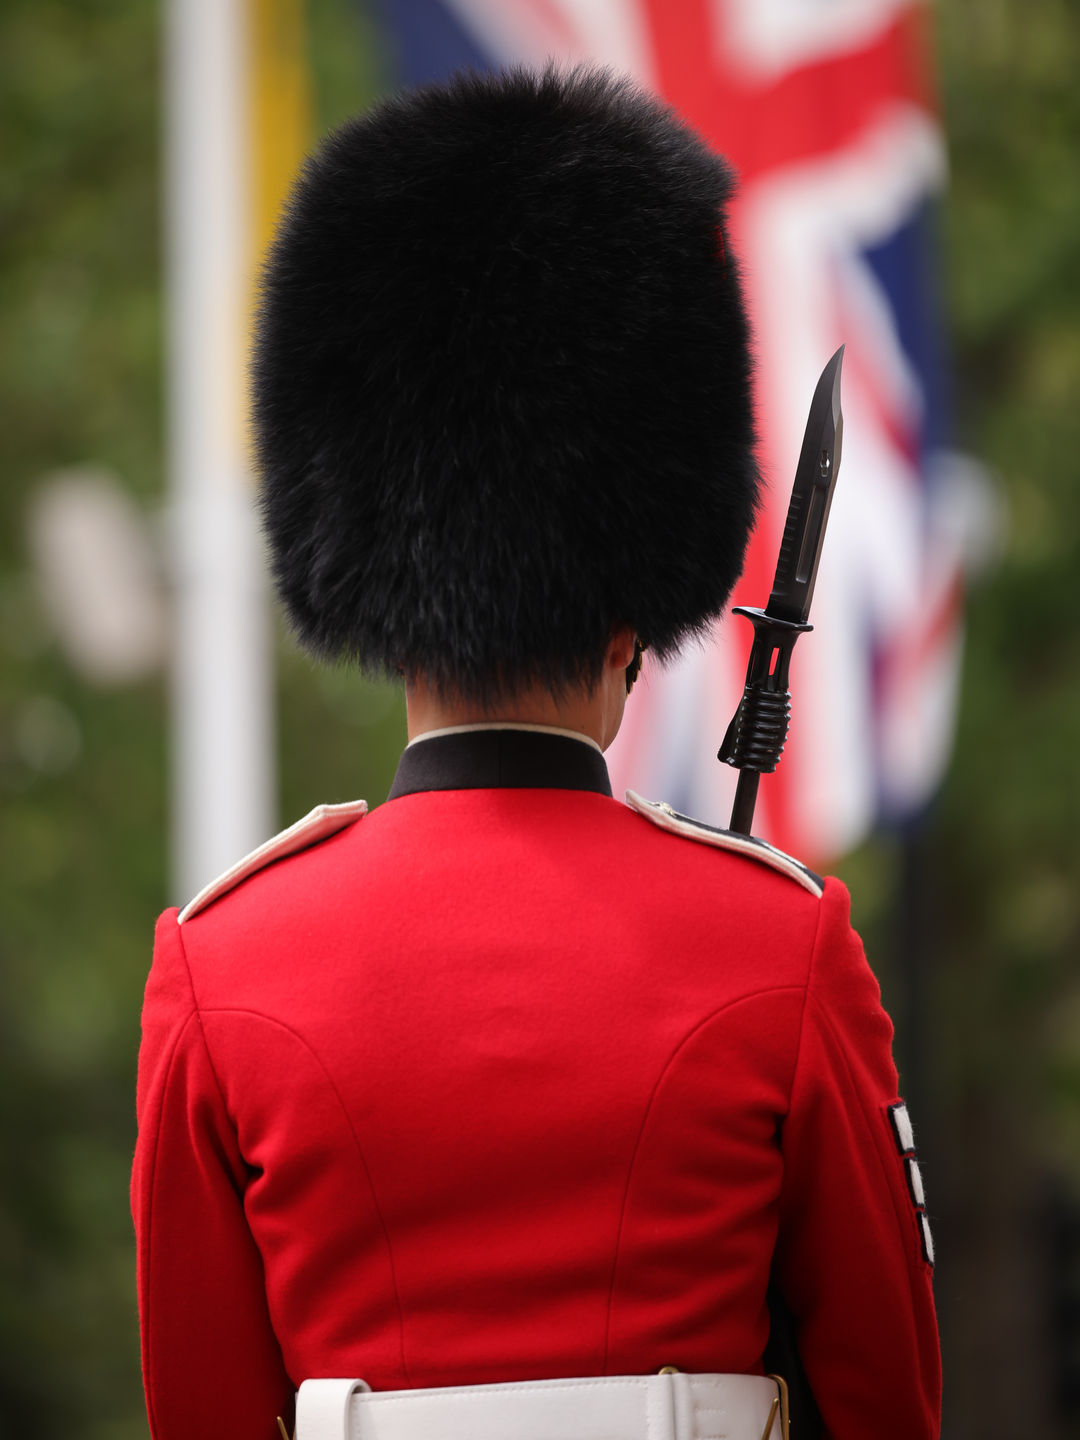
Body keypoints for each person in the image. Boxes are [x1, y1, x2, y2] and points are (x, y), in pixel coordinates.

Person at [131, 66, 941, 1440]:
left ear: (381, 603)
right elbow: (891, 1404)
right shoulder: (781, 943)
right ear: (640, 621)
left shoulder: (222, 961)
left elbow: (203, 1410)